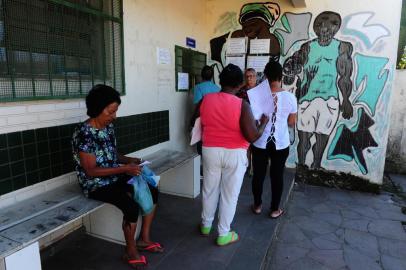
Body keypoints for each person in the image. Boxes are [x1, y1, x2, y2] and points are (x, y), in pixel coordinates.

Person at [72, 85, 163, 269]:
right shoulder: (84, 134)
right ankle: (130, 252)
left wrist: (129, 160)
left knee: (152, 190)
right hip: (95, 184)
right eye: (111, 112)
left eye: (115, 111)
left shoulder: (108, 127)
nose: (114, 116)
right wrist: (124, 169)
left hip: (113, 175)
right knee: (129, 205)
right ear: (98, 109)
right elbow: (91, 170)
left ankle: (143, 239)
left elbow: (111, 154)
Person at [196, 64, 269, 246]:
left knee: (209, 189)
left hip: (210, 150)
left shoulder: (205, 99)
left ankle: (206, 225)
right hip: (235, 153)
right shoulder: (242, 105)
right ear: (239, 85)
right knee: (230, 194)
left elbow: (193, 120)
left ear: (220, 81)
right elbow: (252, 136)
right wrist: (263, 123)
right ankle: (223, 234)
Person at [282, 11, 353, 169]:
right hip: (307, 99)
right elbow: (289, 68)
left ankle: (316, 165)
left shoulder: (342, 48)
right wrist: (292, 67)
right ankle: (301, 165)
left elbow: (345, 77)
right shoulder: (307, 47)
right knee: (304, 138)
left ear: (336, 28)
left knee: (323, 136)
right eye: (321, 25)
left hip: (330, 100)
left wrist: (346, 100)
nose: (325, 29)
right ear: (316, 27)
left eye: (331, 25)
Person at [248, 61, 297, 218]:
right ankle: (275, 209)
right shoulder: (290, 97)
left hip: (260, 141)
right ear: (281, 76)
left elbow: (253, 119)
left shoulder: (256, 95)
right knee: (277, 176)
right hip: (280, 143)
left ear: (266, 76)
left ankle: (257, 205)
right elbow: (291, 122)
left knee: (258, 175)